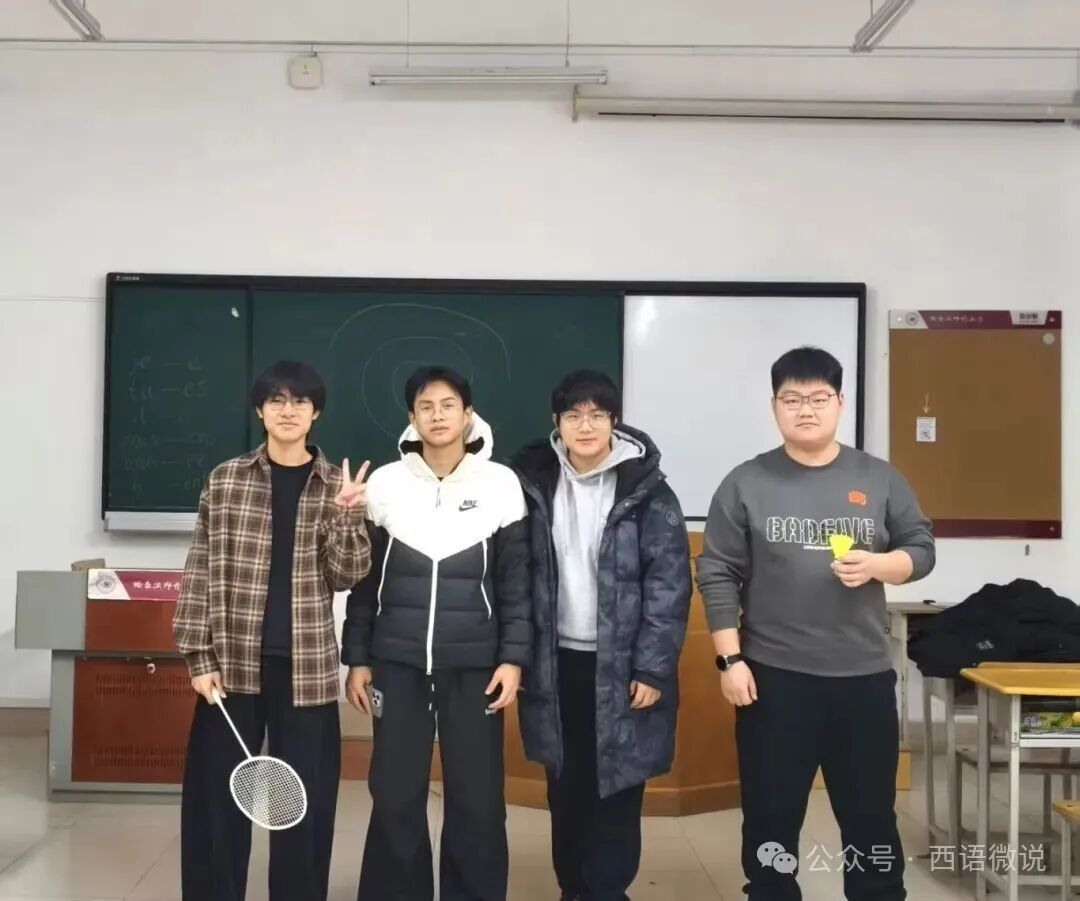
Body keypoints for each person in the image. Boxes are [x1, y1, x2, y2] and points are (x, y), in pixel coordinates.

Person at [696, 346, 936, 901]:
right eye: (792, 399)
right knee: (770, 818)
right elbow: (717, 573)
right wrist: (730, 660)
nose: (806, 409)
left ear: (840, 403)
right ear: (774, 406)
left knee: (871, 819)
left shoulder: (878, 477)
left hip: (863, 678)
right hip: (774, 679)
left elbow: (921, 548)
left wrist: (880, 565)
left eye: (819, 398)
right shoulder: (746, 482)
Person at [172, 360, 373, 901]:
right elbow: (199, 570)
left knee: (305, 806)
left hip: (305, 668)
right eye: (277, 400)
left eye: (300, 401)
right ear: (260, 410)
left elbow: (346, 575)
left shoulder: (336, 486)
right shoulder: (226, 479)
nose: (289, 410)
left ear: (316, 413)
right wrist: (197, 657)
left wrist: (348, 517)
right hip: (231, 664)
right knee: (217, 802)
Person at [341, 365, 531, 901]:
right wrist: (358, 658)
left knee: (477, 799)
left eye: (449, 405)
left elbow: (517, 582)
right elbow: (363, 583)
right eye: (426, 406)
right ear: (412, 417)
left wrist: (513, 659)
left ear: (468, 414)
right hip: (396, 663)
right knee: (395, 794)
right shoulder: (384, 484)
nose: (438, 415)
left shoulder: (500, 483)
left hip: (476, 666)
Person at [513, 369, 692, 901]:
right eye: (573, 415)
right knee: (565, 786)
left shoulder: (647, 490)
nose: (585, 426)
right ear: (557, 422)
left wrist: (653, 668)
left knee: (616, 785)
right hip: (554, 661)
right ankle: (574, 888)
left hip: (623, 666)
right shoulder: (533, 484)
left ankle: (608, 890)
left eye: (597, 414)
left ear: (614, 420)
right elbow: (513, 576)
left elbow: (669, 585)